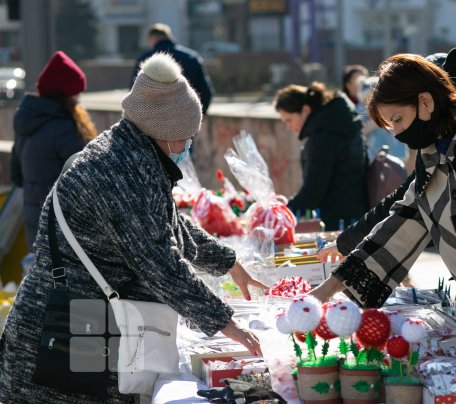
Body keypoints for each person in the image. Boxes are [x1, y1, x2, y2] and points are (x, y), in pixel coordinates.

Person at [0, 53, 267, 402]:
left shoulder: (127, 154)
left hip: (80, 325)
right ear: (166, 132)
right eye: (188, 136)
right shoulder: (119, 173)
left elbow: (169, 225)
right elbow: (159, 262)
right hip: (60, 340)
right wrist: (223, 321)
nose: (189, 144)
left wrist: (229, 264)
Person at [310, 54, 456, 330]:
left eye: (398, 120)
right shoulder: (431, 159)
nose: (397, 133)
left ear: (426, 102)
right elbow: (397, 229)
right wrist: (325, 291)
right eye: (390, 126)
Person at [10, 51, 96, 249]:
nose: (79, 97)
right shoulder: (63, 128)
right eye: (76, 92)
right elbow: (90, 177)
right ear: (65, 95)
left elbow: (16, 176)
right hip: (64, 232)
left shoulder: (26, 122)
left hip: (36, 230)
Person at [274, 81, 368, 231]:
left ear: (305, 110)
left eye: (289, 120)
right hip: (355, 217)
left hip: (338, 224)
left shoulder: (323, 139)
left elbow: (312, 194)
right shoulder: (342, 125)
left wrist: (278, 213)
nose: (288, 127)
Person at [131, 23, 214, 115]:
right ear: (170, 37)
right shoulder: (191, 57)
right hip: (186, 118)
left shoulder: (144, 59)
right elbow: (206, 92)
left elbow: (134, 93)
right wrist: (199, 116)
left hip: (153, 120)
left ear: (151, 39)